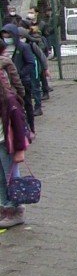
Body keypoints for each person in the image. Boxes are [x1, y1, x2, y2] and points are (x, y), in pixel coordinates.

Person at [0, 46, 29, 229]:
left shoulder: (9, 101)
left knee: (11, 177)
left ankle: (16, 209)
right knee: (1, 178)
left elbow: (19, 127)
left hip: (6, 144)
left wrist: (20, 150)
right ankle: (4, 207)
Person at [2, 25, 36, 134]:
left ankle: (31, 127)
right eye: (4, 35)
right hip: (7, 83)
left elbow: (30, 63)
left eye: (8, 35)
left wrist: (19, 74)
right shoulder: (3, 48)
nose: (6, 37)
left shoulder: (23, 47)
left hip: (22, 81)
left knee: (27, 104)